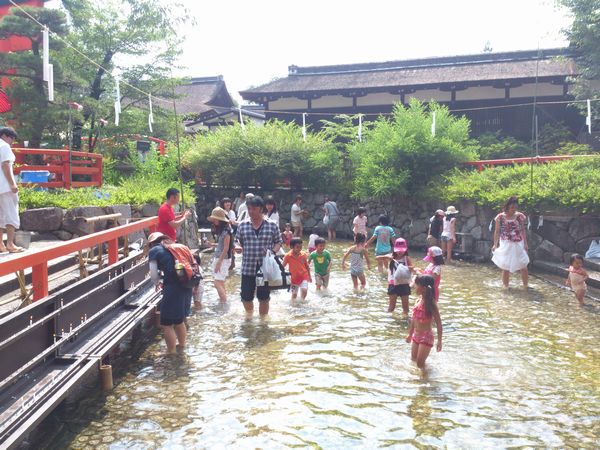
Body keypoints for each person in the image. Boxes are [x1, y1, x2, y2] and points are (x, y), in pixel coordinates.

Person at [235, 196, 282, 315]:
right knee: (245, 297)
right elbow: (236, 240)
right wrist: (237, 246)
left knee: (264, 297)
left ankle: (263, 322)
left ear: (261, 209)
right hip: (248, 267)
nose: (250, 212)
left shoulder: (272, 225)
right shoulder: (243, 225)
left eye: (253, 209)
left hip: (265, 267)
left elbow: (278, 242)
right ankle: (250, 317)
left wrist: (272, 252)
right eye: (249, 209)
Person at [148, 232, 192, 354]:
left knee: (167, 323)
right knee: (179, 320)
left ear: (151, 243)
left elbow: (153, 274)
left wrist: (157, 283)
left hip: (172, 287)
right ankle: (182, 347)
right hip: (186, 284)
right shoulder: (175, 246)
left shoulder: (154, 250)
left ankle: (171, 352)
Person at [491, 196, 529, 289]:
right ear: (507, 207)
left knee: (523, 265)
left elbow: (523, 230)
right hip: (505, 243)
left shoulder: (520, 216)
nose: (514, 209)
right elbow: (497, 231)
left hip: (518, 242)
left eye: (515, 207)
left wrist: (525, 243)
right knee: (505, 266)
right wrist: (495, 244)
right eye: (512, 207)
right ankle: (505, 286)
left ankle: (525, 286)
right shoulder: (500, 217)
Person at [406, 275, 442, 369]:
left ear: (424, 288)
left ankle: (425, 381)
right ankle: (418, 379)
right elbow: (414, 319)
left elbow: (438, 323)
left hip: (426, 336)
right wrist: (410, 334)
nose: (415, 286)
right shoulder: (418, 301)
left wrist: (439, 341)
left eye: (417, 285)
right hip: (416, 335)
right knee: (413, 360)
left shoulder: (431, 304)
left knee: (420, 363)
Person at [0, 127, 23, 253]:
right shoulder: (4, 146)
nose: (12, 141)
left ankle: (0, 245)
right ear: (5, 135)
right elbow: (5, 166)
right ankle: (10, 243)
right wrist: (12, 184)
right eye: (12, 138)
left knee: (0, 216)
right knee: (11, 214)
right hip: (5, 186)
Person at [376, 238, 414, 314]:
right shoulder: (391, 257)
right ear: (394, 249)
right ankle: (389, 320)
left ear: (405, 250)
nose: (400, 252)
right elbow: (377, 258)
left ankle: (404, 320)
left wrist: (407, 268)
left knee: (405, 308)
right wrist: (386, 257)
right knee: (391, 307)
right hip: (393, 283)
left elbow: (412, 268)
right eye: (398, 250)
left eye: (402, 250)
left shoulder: (406, 258)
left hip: (404, 283)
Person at [208, 207, 233, 302]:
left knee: (216, 282)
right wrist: (213, 244)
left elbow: (226, 248)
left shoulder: (226, 231)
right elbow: (222, 245)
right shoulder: (222, 230)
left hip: (223, 259)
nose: (214, 221)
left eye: (215, 219)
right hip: (220, 257)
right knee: (220, 281)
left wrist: (219, 262)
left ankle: (224, 302)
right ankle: (223, 300)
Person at [220, 197, 238, 270]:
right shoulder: (221, 212)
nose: (228, 204)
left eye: (229, 202)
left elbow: (233, 222)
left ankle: (232, 262)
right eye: (226, 202)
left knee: (232, 247)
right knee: (223, 247)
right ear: (223, 204)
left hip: (231, 232)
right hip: (222, 232)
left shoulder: (232, 212)